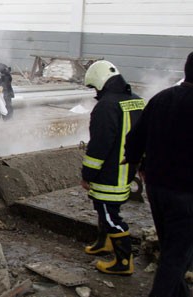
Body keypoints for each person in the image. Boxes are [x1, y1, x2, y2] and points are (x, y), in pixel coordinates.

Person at [124, 52, 193, 296]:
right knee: (177, 256)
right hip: (185, 193)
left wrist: (136, 167)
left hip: (156, 186)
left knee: (172, 249)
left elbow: (134, 139)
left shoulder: (161, 98)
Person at [81, 60, 144, 275]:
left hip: (109, 174)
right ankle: (104, 243)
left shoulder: (106, 106)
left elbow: (99, 145)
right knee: (107, 209)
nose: (95, 92)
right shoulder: (136, 101)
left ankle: (124, 262)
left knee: (109, 215)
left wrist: (87, 174)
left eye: (95, 87)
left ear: (101, 82)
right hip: (127, 171)